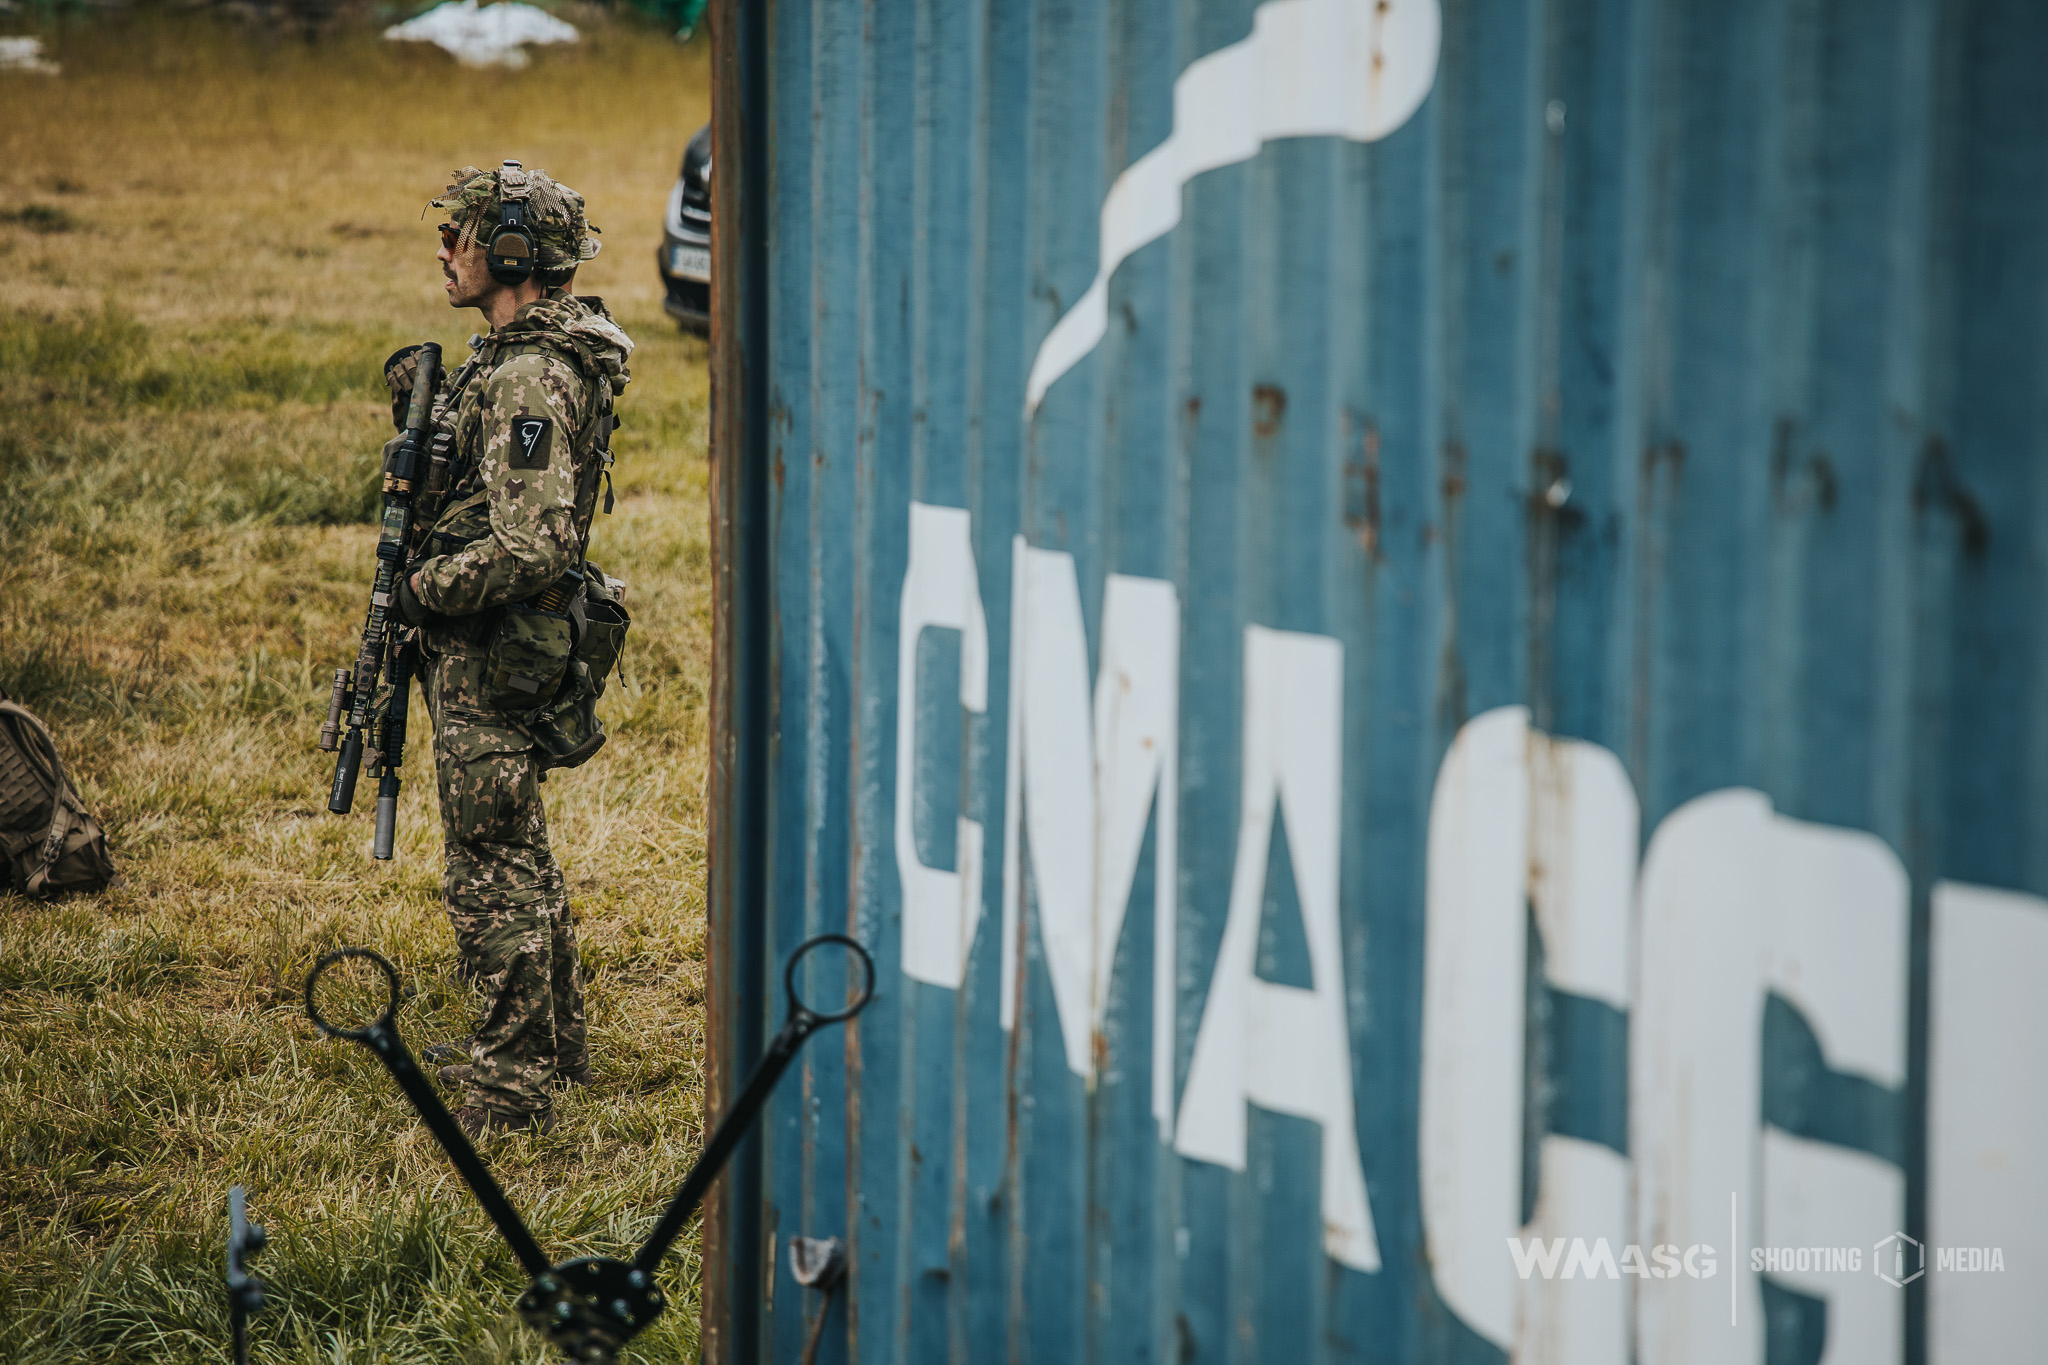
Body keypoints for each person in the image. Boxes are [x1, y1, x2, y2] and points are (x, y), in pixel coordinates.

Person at [388, 161, 633, 1137]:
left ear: (514, 255)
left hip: (494, 646)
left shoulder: (530, 370)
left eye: (465, 234)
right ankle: (546, 1048)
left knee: (490, 867)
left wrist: (422, 590)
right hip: (490, 642)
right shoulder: (505, 355)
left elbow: (535, 541)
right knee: (517, 852)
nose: (445, 249)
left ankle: (511, 1087)